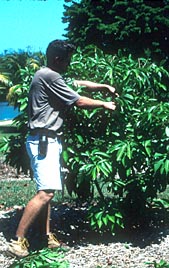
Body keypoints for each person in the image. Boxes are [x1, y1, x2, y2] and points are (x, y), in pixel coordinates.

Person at [7, 39, 117, 258]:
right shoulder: (50, 76)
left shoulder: (48, 74)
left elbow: (78, 83)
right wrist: (104, 104)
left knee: (47, 190)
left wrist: (103, 87)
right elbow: (79, 101)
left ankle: (47, 237)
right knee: (46, 193)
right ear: (58, 59)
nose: (69, 64)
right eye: (67, 60)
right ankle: (17, 242)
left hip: (47, 140)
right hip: (44, 141)